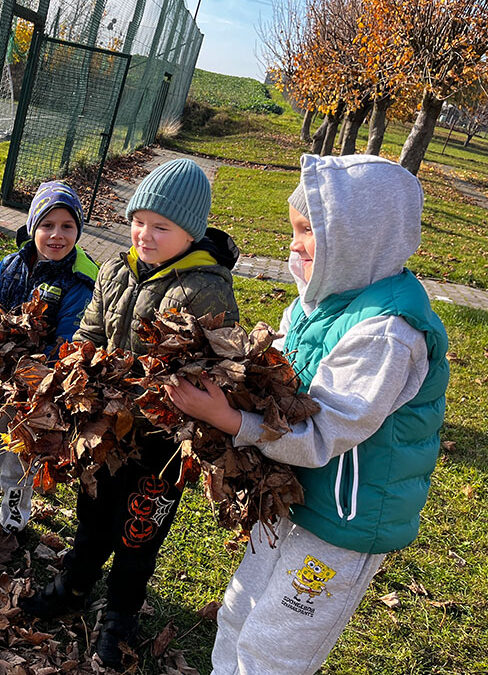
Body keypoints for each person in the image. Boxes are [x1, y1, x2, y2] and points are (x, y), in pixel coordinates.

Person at [165, 154, 450, 675]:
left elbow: (321, 434)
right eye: (293, 228)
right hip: (293, 489)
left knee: (276, 648)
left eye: (307, 230)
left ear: (359, 237)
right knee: (238, 613)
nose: (293, 243)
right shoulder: (314, 303)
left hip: (344, 518)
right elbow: (282, 383)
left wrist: (231, 421)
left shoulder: (385, 333)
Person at [19, 158, 240, 668]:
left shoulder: (206, 288)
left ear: (192, 233)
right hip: (105, 428)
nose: (144, 234)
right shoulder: (117, 269)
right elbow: (92, 331)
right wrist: (75, 364)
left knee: (138, 530)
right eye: (139, 221)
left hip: (161, 441)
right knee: (93, 509)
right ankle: (75, 583)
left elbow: (206, 367)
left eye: (161, 227)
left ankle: (121, 611)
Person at [0, 181, 99, 532]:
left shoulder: (79, 280)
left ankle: (14, 516)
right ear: (33, 226)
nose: (57, 235)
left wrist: (40, 374)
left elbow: (70, 336)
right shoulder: (11, 265)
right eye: (47, 225)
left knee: (23, 452)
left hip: (40, 383)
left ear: (78, 230)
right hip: (0, 376)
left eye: (67, 226)